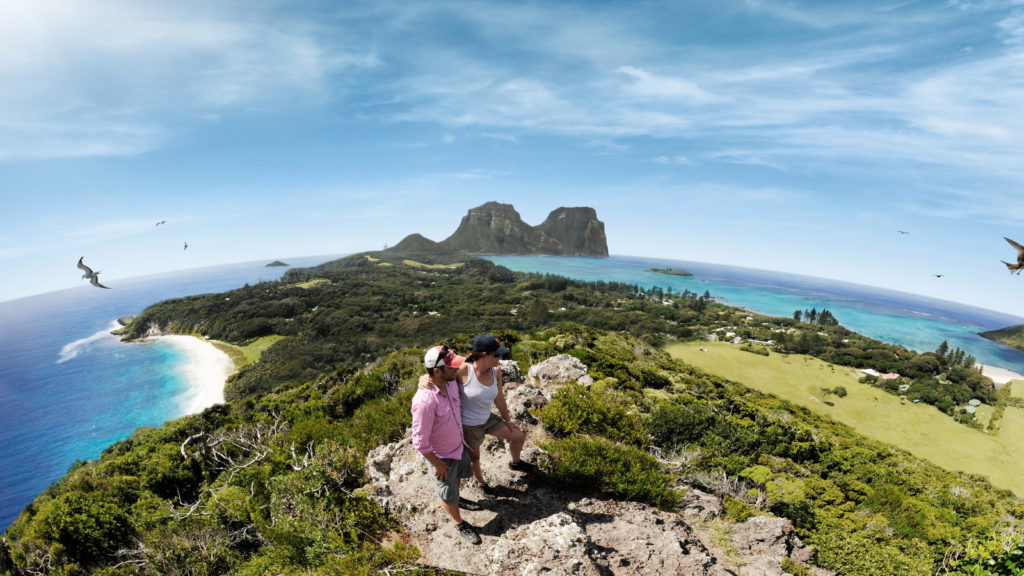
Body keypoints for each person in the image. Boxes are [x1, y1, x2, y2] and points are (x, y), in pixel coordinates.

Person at [410, 345, 482, 545]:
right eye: (452, 367)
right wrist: (437, 464)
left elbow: (473, 368)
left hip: (458, 447)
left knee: (457, 480)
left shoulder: (450, 382)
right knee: (447, 494)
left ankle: (458, 498)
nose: (457, 369)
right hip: (442, 457)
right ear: (436, 371)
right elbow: (420, 442)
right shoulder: (425, 401)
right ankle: (460, 523)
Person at [459, 334, 529, 494]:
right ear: (485, 355)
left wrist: (508, 420)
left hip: (487, 418)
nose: (500, 357)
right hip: (469, 424)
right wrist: (424, 379)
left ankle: (515, 463)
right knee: (475, 458)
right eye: (497, 355)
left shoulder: (496, 371)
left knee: (518, 436)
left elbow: (499, 398)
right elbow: (439, 379)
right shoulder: (463, 370)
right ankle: (481, 483)